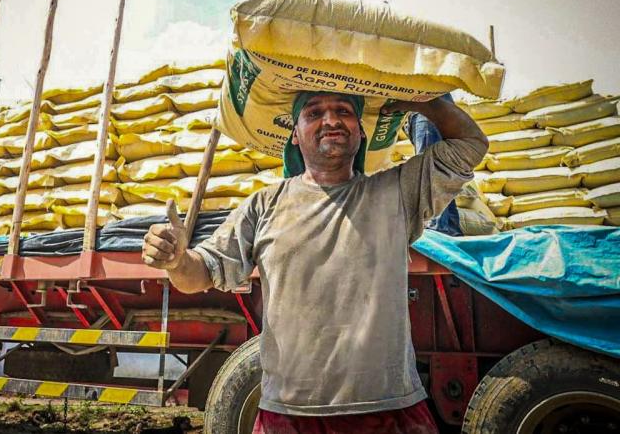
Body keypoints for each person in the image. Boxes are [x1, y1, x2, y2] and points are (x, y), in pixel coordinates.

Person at [142, 91, 487, 434]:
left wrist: (421, 102)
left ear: (361, 131)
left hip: (390, 411)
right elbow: (200, 274)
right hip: (287, 417)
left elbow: (470, 144)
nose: (331, 120)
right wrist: (177, 261)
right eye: (314, 113)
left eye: (344, 111)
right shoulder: (264, 206)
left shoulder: (396, 192)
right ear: (295, 133)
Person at [404, 93, 463, 236]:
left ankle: (436, 229)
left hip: (427, 108)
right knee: (441, 173)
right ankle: (452, 232)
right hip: (429, 110)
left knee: (429, 169)